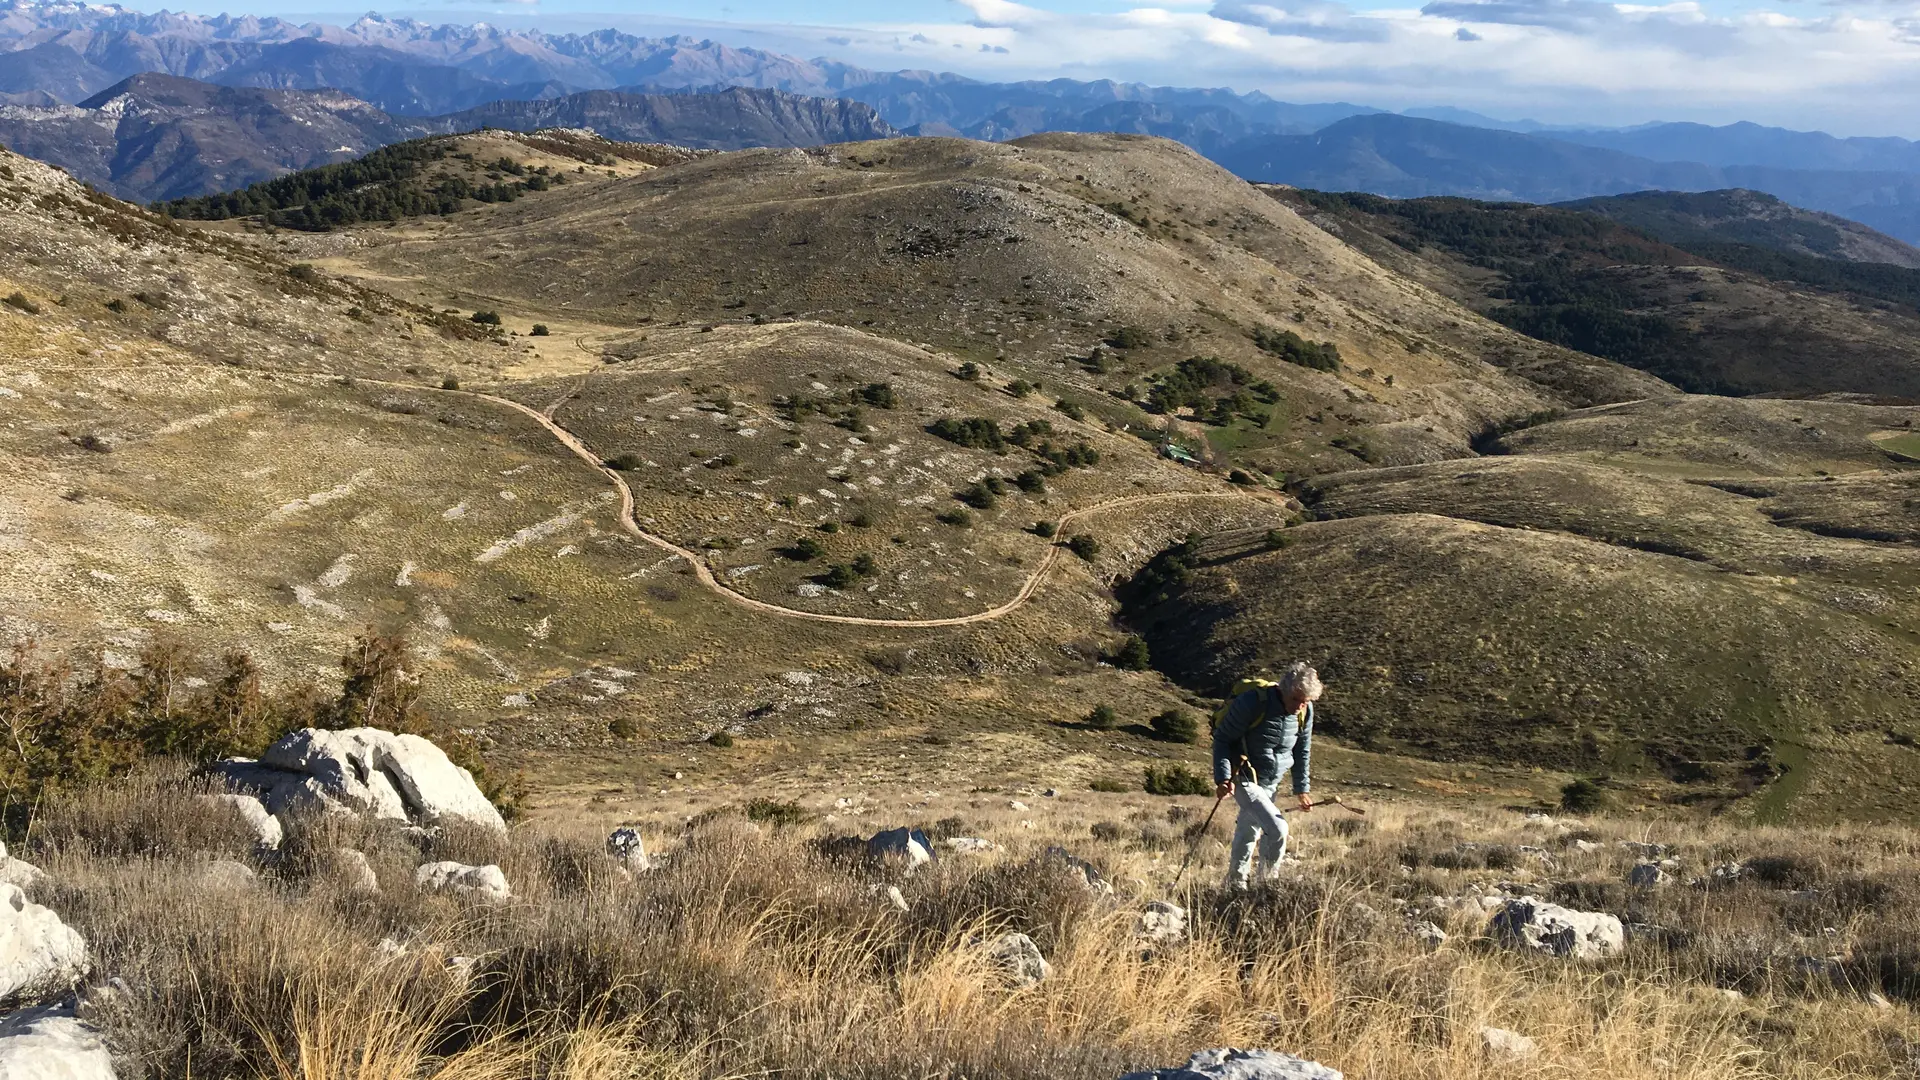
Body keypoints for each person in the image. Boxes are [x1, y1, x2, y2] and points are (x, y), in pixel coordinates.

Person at [1211, 661, 1321, 889]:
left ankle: (1234, 885)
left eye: (1306, 702)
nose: (1300, 707)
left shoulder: (1305, 710)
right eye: (1296, 700)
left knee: (1249, 830)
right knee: (1278, 828)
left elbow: (1302, 748)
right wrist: (1223, 778)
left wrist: (1302, 788)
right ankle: (1266, 888)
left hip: (1272, 780)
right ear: (1283, 690)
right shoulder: (1252, 703)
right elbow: (1222, 739)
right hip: (1244, 775)